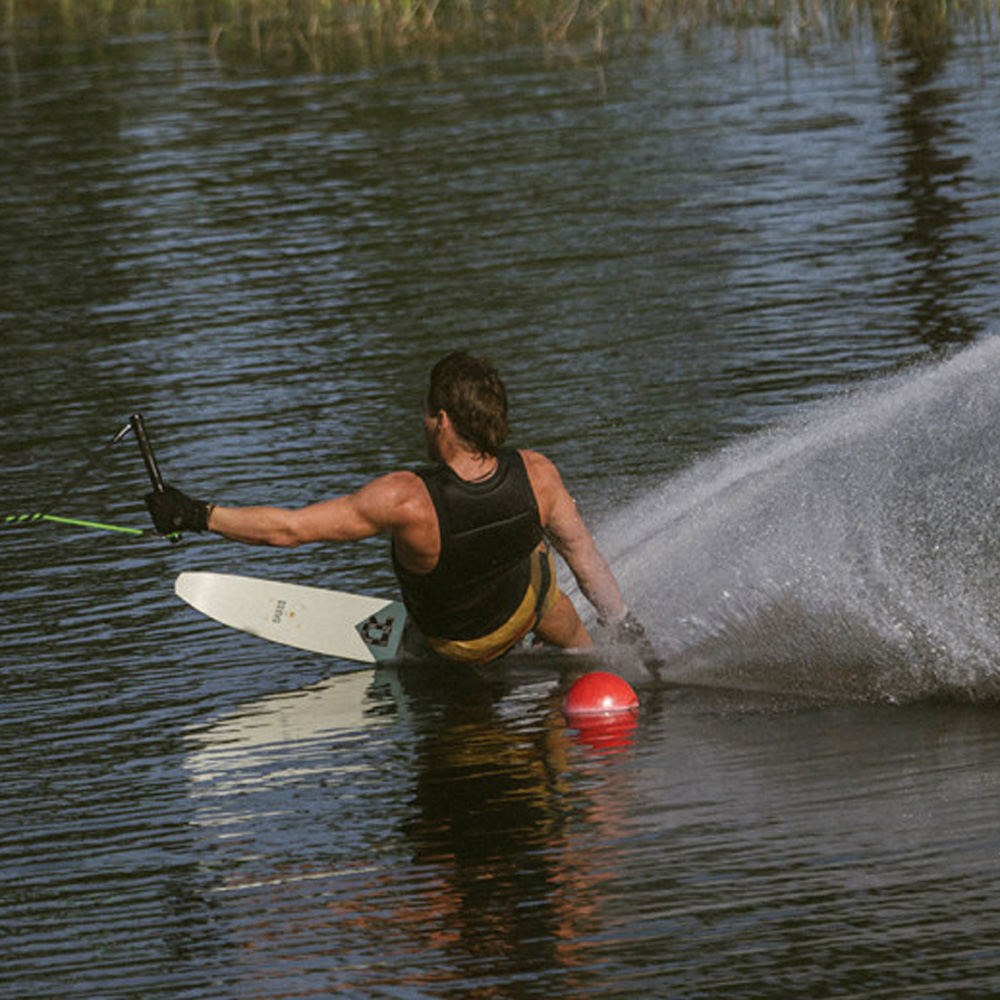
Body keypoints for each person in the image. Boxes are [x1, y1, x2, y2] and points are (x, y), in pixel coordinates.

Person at [146, 351, 643, 664]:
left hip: (460, 647)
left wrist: (196, 514)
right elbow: (585, 559)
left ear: (442, 420)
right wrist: (622, 622)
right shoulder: (539, 473)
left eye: (426, 412)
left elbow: (291, 531)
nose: (423, 421)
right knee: (542, 560)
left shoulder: (403, 499)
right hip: (526, 609)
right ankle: (583, 658)